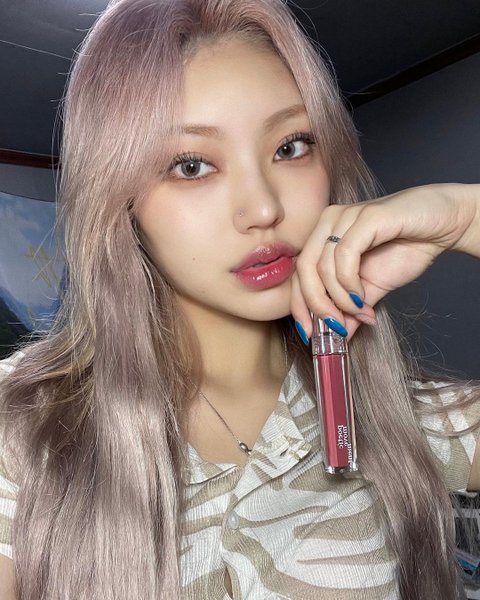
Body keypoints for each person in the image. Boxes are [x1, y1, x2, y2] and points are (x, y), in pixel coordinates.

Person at [0, 0, 479, 598]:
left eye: (291, 146)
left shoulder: (396, 416)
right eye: (191, 165)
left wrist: (466, 216)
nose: (263, 208)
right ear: (119, 199)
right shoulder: (23, 426)